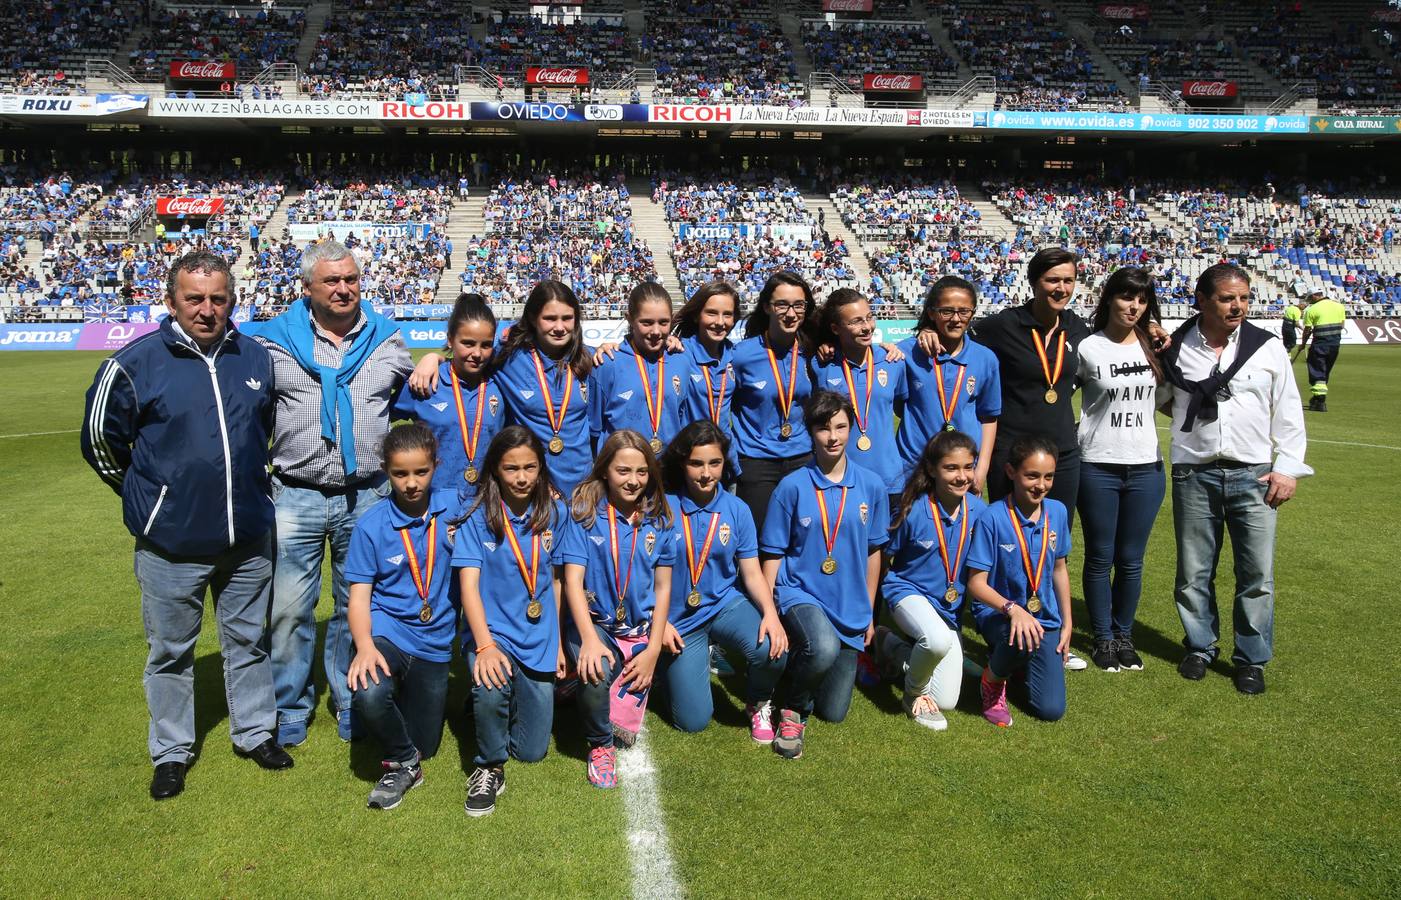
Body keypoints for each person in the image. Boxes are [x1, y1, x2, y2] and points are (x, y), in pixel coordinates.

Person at [80, 249, 292, 801]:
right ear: (171, 301)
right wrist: (148, 499)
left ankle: (255, 733)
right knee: (171, 652)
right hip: (171, 544)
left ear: (232, 301)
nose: (206, 308)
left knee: (248, 642)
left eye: (217, 298)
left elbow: (262, 431)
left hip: (247, 538)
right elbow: (101, 441)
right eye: (194, 298)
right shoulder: (134, 363)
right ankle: (171, 752)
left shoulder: (255, 358)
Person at [256, 240, 417, 747]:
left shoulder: (387, 340)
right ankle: (290, 705)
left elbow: (420, 394)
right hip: (295, 495)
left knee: (357, 605)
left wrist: (432, 361)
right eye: (331, 281)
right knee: (287, 609)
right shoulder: (273, 343)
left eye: (350, 279)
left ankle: (351, 698)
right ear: (307, 288)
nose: (344, 288)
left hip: (366, 496)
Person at [1160, 263, 1311, 695]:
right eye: (1227, 298)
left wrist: (1287, 468)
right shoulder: (1178, 346)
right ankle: (1200, 646)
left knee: (1257, 575)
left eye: (1243, 298)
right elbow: (1163, 399)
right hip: (1194, 471)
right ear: (1202, 300)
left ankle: (1251, 659)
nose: (1238, 306)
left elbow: (1288, 410)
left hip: (1255, 473)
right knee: (1193, 571)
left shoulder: (1267, 347)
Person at [760, 391, 890, 760]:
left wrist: (867, 613)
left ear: (851, 428)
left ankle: (795, 669)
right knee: (823, 648)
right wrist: (769, 609)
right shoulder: (791, 487)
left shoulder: (872, 486)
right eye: (822, 428)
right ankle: (792, 710)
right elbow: (773, 552)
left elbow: (873, 552)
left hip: (848, 604)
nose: (832, 436)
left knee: (834, 712)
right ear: (810, 433)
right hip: (800, 592)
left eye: (840, 426)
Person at [454, 426, 569, 817]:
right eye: (511, 469)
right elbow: (468, 587)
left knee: (533, 751)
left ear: (541, 468)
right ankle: (488, 765)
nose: (521, 478)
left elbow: (555, 581)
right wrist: (484, 645)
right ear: (495, 471)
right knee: (490, 681)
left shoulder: (556, 512)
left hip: (537, 634)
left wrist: (555, 642)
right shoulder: (478, 516)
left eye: (530, 467)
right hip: (494, 633)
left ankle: (501, 706)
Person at [345, 425, 456, 811]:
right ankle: (402, 762)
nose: (411, 483)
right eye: (400, 474)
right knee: (369, 689)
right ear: (385, 471)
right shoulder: (371, 526)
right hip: (387, 631)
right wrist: (363, 648)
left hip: (436, 642)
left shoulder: (456, 508)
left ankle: (403, 729)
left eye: (421, 472)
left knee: (428, 744)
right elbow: (358, 598)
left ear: (436, 466)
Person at [658, 421, 789, 741]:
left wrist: (770, 613)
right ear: (681, 463)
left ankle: (758, 701)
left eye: (714, 463)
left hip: (721, 605)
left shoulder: (737, 510)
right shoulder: (663, 506)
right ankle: (667, 671)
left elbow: (752, 572)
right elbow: (644, 575)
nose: (706, 473)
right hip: (678, 618)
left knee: (775, 648)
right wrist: (657, 622)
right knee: (692, 721)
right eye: (696, 464)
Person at [559, 431, 676, 788]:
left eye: (642, 472)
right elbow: (572, 583)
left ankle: (603, 680)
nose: (633, 480)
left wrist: (654, 648)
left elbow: (663, 586)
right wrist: (590, 641)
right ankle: (600, 744)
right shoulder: (583, 513)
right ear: (605, 470)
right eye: (623, 470)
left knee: (691, 712)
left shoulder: (659, 517)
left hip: (638, 629)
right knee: (596, 668)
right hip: (596, 624)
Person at [1074, 267, 1167, 672]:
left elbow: (1170, 396)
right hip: (1097, 464)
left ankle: (1123, 634)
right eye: (1127, 297)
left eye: (1142, 299)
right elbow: (1057, 396)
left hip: (1146, 466)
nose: (1134, 306)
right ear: (1109, 298)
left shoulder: (1155, 346)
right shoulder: (1087, 347)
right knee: (1099, 557)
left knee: (1131, 559)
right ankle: (1103, 639)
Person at [878, 430, 988, 731]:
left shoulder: (980, 513)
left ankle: (892, 646)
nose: (962, 476)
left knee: (947, 699)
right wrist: (876, 603)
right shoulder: (913, 510)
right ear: (931, 469)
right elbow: (882, 557)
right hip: (907, 593)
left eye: (968, 466)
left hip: (947, 607)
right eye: (951, 468)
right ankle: (912, 695)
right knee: (936, 641)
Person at [965, 435, 1073, 728]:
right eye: (1032, 476)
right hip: (1000, 613)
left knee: (1051, 709)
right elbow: (976, 584)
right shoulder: (992, 517)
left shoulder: (1058, 512)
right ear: (1011, 473)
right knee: (1022, 635)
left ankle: (1013, 662)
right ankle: (991, 680)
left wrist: (1067, 623)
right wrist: (1013, 609)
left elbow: (1059, 569)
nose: (1041, 485)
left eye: (1048, 477)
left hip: (1044, 619)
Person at [392, 294, 503, 516]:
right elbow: (380, 415)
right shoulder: (426, 382)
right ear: (450, 339)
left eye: (486, 345)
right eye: (468, 343)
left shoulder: (500, 380)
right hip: (433, 505)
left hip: (487, 505)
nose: (477, 354)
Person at [731, 272, 818, 534]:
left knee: (802, 538)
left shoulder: (812, 351)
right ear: (767, 306)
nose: (791, 313)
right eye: (782, 304)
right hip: (756, 463)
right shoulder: (741, 355)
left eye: (798, 305)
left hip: (802, 460)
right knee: (757, 541)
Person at [896, 276, 1000, 493]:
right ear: (932, 313)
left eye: (964, 311)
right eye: (947, 311)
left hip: (963, 472)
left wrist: (980, 469)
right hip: (914, 469)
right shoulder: (906, 353)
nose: (956, 319)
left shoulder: (985, 358)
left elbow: (988, 417)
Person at [491, 280, 595, 497]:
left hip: (583, 490)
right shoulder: (508, 357)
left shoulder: (590, 359)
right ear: (532, 318)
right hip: (533, 488)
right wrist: (433, 359)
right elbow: (469, 357)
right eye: (550, 318)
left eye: (567, 318)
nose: (559, 327)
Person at [810, 288, 908, 490]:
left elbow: (905, 411)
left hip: (889, 481)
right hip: (837, 479)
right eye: (856, 321)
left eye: (869, 318)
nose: (867, 327)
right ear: (836, 328)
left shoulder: (892, 361)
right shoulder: (820, 365)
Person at [589, 282, 694, 452]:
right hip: (623, 472)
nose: (656, 331)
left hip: (667, 470)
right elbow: (594, 429)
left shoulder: (681, 361)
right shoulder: (608, 363)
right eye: (646, 322)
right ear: (629, 318)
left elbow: (681, 419)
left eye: (663, 322)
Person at [673, 281, 743, 478]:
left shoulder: (735, 355)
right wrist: (608, 347)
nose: (720, 322)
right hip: (690, 464)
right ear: (697, 315)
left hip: (726, 462)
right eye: (711, 313)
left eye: (727, 314)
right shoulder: (679, 352)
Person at [1297, 291, 1347, 412]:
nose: (1309, 301)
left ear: (1315, 296)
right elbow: (1342, 324)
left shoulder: (1312, 310)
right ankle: (1316, 397)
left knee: (1317, 371)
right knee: (1325, 372)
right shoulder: (1339, 306)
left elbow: (1307, 330)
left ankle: (1320, 401)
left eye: (1310, 298)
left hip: (1320, 344)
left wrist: (1302, 345)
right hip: (1335, 345)